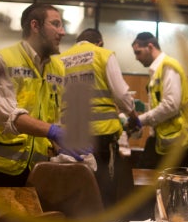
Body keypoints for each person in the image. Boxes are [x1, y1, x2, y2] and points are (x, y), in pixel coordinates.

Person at [0, 3, 67, 187]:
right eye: (55, 24)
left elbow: (56, 116)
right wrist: (54, 132)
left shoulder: (58, 68)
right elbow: (9, 116)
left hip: (36, 169)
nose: (62, 32)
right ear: (35, 26)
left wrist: (67, 147)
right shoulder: (3, 60)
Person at [59, 28, 139, 208]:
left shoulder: (61, 59)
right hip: (102, 135)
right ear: (100, 42)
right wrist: (133, 115)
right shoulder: (103, 54)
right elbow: (121, 94)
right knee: (104, 189)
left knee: (78, 189)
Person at [129, 32, 188, 168]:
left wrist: (139, 120)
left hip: (178, 143)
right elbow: (164, 104)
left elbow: (171, 105)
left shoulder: (168, 66)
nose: (136, 58)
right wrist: (144, 109)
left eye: (138, 52)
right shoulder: (158, 70)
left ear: (150, 46)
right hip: (165, 140)